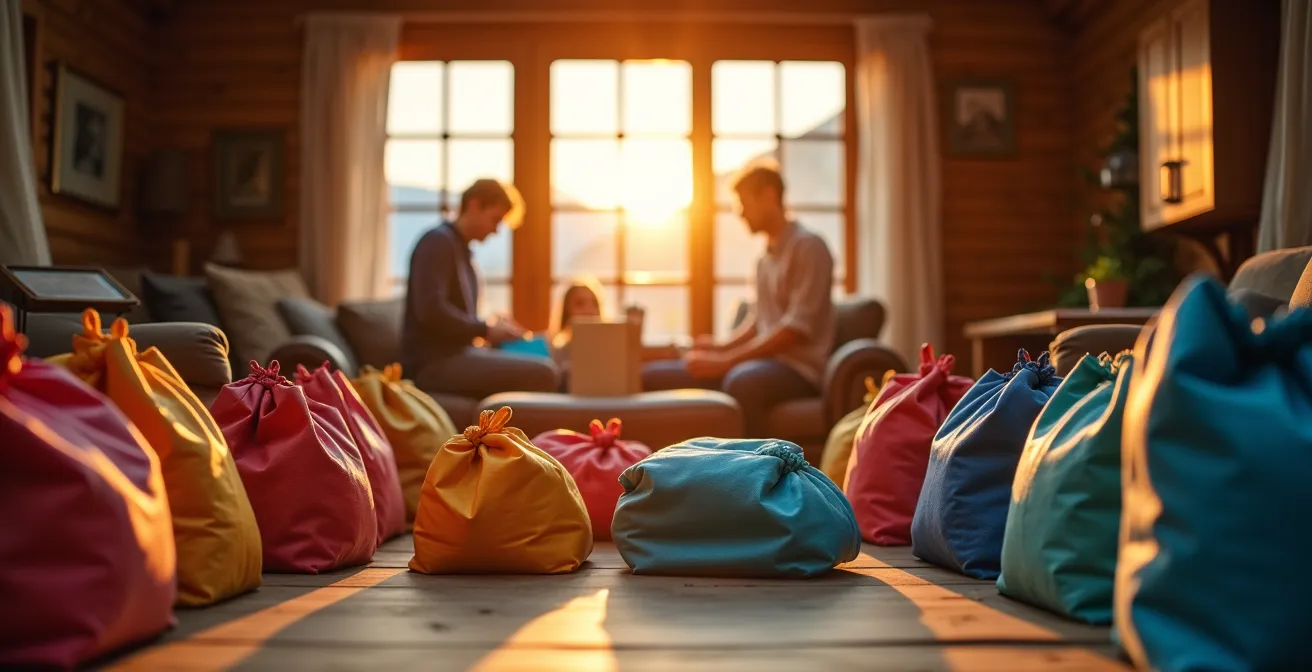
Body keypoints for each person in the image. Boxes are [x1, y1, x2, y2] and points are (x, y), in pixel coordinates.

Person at [642, 162, 836, 437]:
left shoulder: (809, 247)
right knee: (659, 374)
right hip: (764, 363)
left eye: (745, 203)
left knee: (742, 381)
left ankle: (757, 463)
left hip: (798, 370)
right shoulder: (764, 260)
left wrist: (727, 361)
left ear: (769, 195)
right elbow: (759, 323)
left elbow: (794, 329)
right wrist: (719, 347)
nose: (741, 213)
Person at [401, 179, 559, 398]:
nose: (495, 230)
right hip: (431, 364)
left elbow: (455, 318)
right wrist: (485, 329)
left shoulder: (461, 251)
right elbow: (431, 311)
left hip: (457, 354)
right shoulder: (437, 243)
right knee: (543, 373)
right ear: (474, 205)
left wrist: (490, 327)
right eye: (495, 220)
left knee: (547, 361)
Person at [549, 278, 604, 368]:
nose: (589, 311)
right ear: (566, 311)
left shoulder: (608, 351)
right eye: (580, 304)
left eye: (594, 304)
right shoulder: (556, 353)